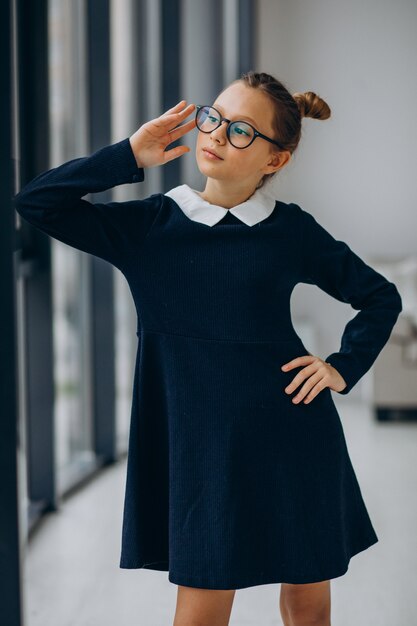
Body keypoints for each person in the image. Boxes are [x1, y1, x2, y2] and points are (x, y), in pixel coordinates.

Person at [14, 70, 402, 626]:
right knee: (200, 613)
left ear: (276, 160)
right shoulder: (152, 224)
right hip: (197, 450)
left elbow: (379, 297)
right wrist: (129, 154)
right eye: (213, 118)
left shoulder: (290, 231)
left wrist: (341, 368)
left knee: (309, 606)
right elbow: (38, 202)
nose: (216, 135)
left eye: (242, 130)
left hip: (293, 438)